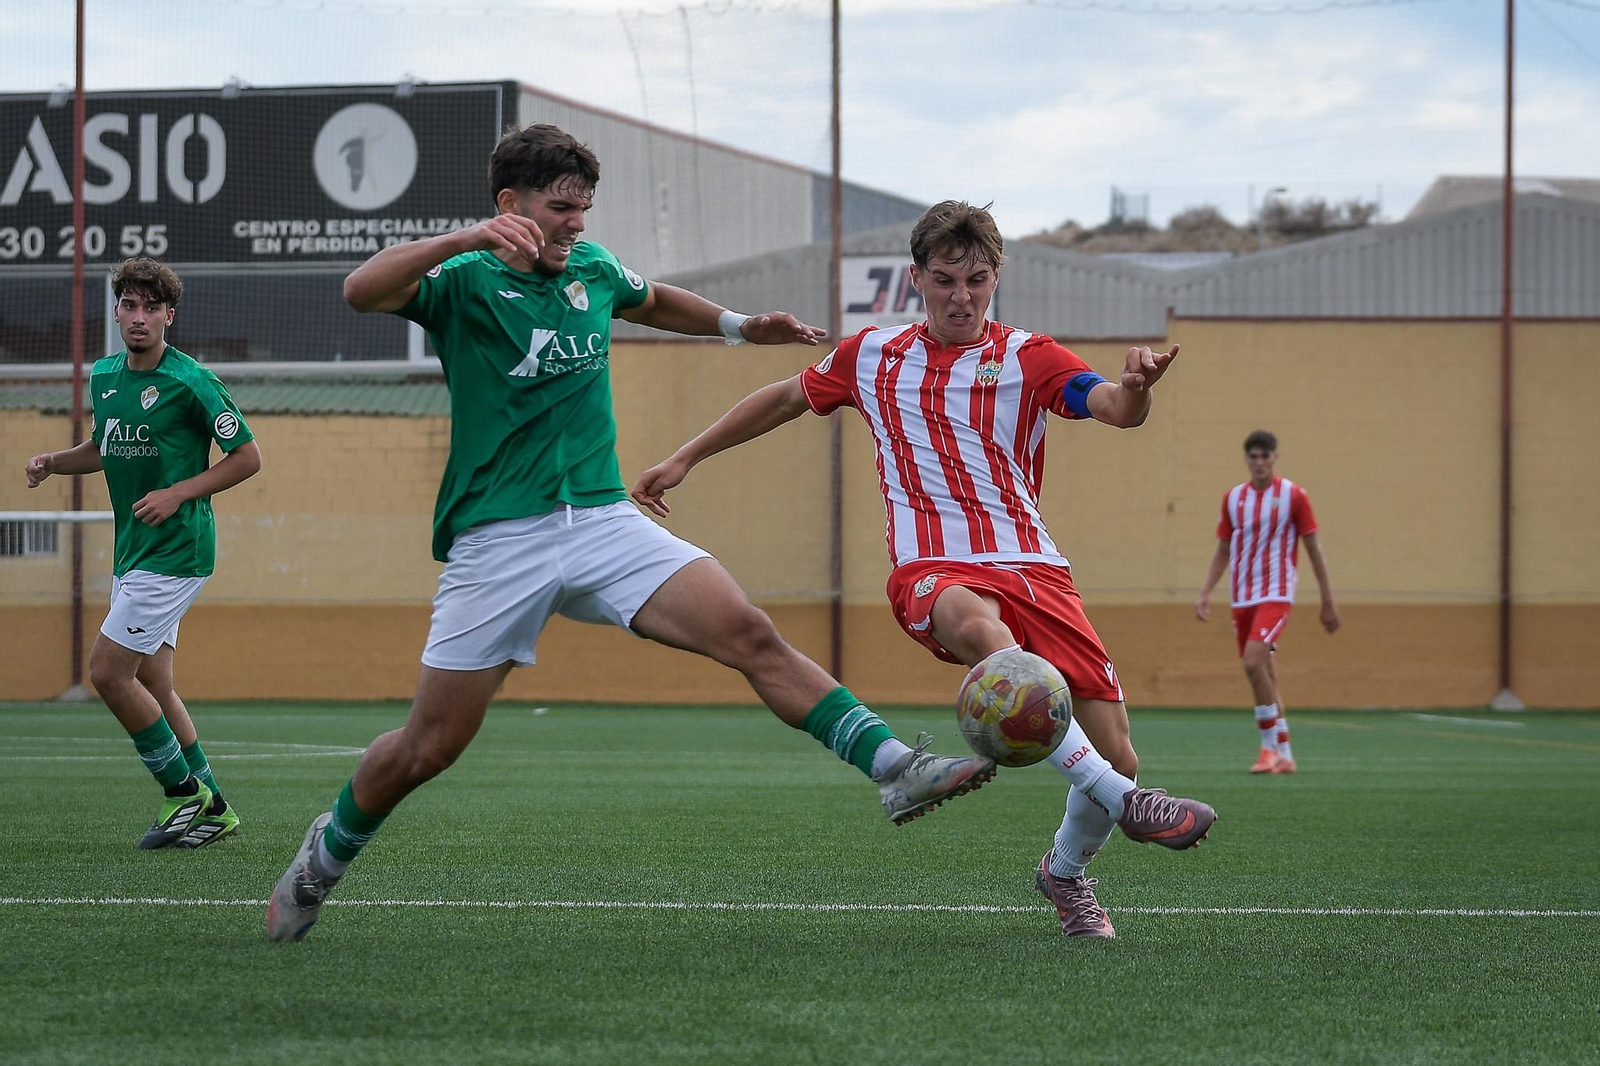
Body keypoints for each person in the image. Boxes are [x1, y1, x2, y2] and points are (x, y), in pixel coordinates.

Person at [266, 125, 994, 942]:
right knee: (428, 747)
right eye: (559, 207)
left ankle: (895, 769)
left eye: (584, 207)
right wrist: (466, 237)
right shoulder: (463, 281)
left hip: (606, 519)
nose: (577, 221)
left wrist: (740, 327)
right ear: (509, 206)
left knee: (747, 631)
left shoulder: (590, 268)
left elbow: (650, 300)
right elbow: (360, 291)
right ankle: (324, 858)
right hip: (500, 539)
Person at [633, 201, 1216, 939]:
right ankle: (1127, 801)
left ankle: (1064, 875)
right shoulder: (871, 355)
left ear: (996, 276)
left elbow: (1111, 407)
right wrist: (684, 457)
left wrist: (1137, 387)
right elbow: (783, 397)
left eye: (976, 280)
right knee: (980, 628)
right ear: (917, 279)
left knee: (1119, 749)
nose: (961, 297)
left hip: (1037, 570)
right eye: (944, 280)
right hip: (932, 568)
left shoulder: (1029, 356)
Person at [24, 257, 262, 849]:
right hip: (137, 552)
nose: (138, 317)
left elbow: (248, 457)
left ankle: (184, 797)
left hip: (176, 551)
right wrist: (54, 462)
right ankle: (218, 809)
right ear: (117, 312)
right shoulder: (105, 376)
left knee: (107, 672)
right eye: (129, 305)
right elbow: (106, 447)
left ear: (168, 316)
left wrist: (178, 492)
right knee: (153, 676)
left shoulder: (191, 380)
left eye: (150, 307)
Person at [1194, 429, 1339, 774]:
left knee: (1252, 662)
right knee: (1265, 670)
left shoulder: (1293, 496)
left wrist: (1327, 601)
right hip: (1241, 596)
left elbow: (1314, 550)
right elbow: (1224, 548)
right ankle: (1286, 752)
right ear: (1246, 459)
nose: (1259, 462)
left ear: (1275, 457)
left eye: (1265, 456)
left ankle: (1267, 747)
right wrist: (1205, 592)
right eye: (1253, 456)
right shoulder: (1232, 499)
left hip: (1276, 593)